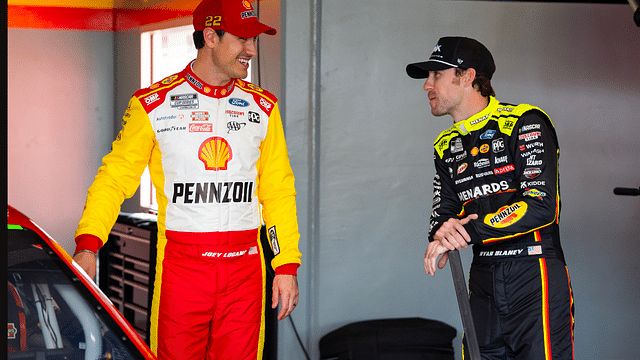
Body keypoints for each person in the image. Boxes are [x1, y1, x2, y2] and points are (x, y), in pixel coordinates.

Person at [72, 0, 301, 358]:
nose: (252, 50)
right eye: (243, 39)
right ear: (210, 36)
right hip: (181, 268)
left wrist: (286, 264)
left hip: (246, 268)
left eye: (254, 40)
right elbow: (113, 179)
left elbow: (278, 191)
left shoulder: (264, 107)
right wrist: (89, 245)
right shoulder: (152, 104)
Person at [406, 37, 574, 359]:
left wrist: (466, 232)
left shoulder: (526, 122)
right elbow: (445, 212)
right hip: (482, 275)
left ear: (467, 76)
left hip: (533, 270)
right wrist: (441, 234)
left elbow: (540, 207)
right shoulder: (446, 144)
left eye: (436, 75)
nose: (427, 85)